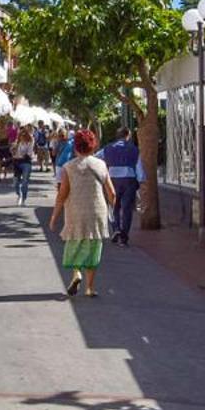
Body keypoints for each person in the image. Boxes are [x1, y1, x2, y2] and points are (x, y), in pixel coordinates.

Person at [53, 128, 116, 298]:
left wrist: (54, 217)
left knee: (75, 242)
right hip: (96, 212)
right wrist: (112, 207)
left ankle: (76, 274)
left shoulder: (69, 167)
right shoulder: (101, 165)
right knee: (93, 248)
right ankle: (90, 288)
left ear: (76, 147)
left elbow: (62, 194)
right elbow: (112, 193)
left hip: (75, 211)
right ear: (93, 146)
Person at [99, 128, 142, 245]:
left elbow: (97, 158)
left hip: (112, 180)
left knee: (113, 206)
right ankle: (124, 236)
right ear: (127, 135)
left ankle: (116, 228)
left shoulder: (108, 148)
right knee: (127, 209)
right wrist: (141, 180)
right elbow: (140, 169)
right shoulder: (134, 149)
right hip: (129, 180)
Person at [10, 128, 35, 204]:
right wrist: (13, 149)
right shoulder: (17, 142)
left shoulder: (30, 142)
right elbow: (12, 152)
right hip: (17, 162)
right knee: (16, 183)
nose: (22, 136)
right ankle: (19, 194)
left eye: (24, 135)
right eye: (21, 135)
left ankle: (23, 198)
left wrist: (22, 155)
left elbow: (29, 154)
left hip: (26, 162)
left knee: (25, 181)